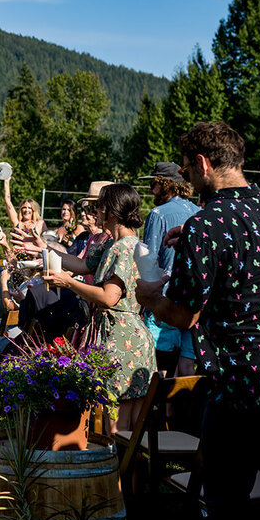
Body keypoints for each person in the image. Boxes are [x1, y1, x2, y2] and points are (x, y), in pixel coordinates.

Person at [136, 121, 260, 520]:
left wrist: (149, 295)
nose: (187, 178)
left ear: (202, 164)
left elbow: (181, 313)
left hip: (241, 379)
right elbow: (254, 272)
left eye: (188, 168)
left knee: (226, 506)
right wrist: (196, 243)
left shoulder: (207, 223)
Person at [17, 183, 156, 431]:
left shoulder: (123, 248)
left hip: (122, 340)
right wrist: (44, 248)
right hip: (126, 336)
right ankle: (127, 469)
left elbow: (108, 297)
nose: (95, 213)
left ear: (111, 211)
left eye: (99, 207)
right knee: (129, 426)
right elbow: (82, 265)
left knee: (118, 427)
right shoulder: (116, 244)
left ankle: (118, 469)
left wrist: (68, 283)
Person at [140, 161, 200, 375]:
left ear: (166, 185)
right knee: (186, 366)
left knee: (159, 367)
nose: (150, 189)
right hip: (194, 302)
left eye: (154, 183)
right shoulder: (199, 213)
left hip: (165, 301)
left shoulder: (158, 214)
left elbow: (149, 261)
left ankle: (158, 409)